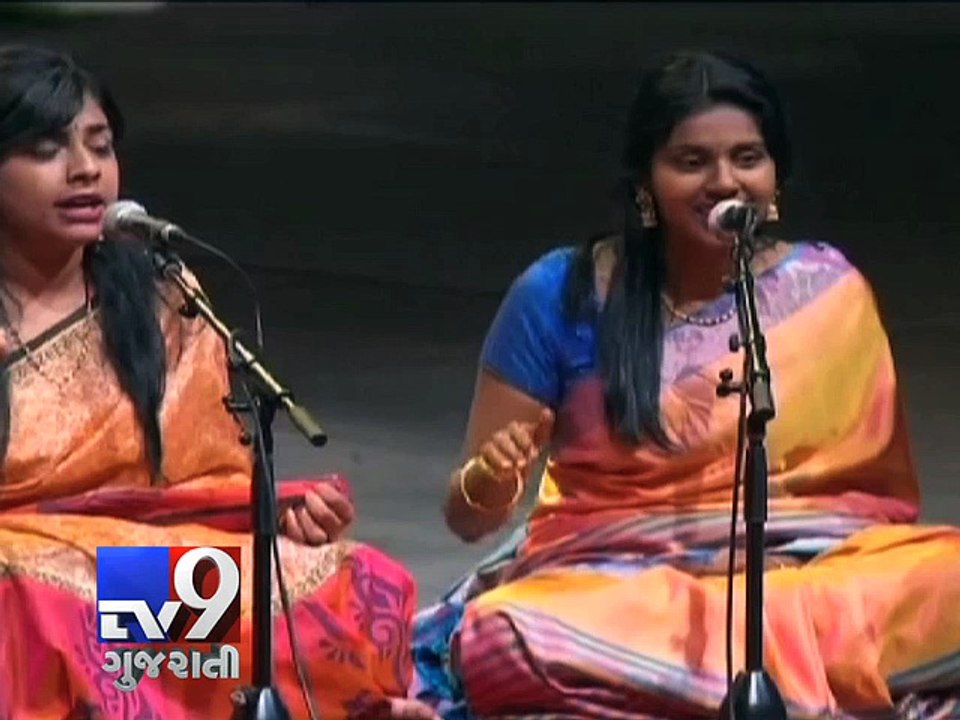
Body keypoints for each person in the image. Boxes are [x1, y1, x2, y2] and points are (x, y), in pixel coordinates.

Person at [411, 50, 960, 719]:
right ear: (646, 180)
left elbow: (869, 504)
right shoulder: (561, 294)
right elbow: (467, 520)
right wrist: (487, 481)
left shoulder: (830, 290)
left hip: (814, 577)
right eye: (692, 161)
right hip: (623, 588)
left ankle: (718, 680)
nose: (724, 181)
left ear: (775, 174)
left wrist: (784, 589)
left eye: (747, 158)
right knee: (509, 632)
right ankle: (778, 677)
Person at [0, 45, 438, 720]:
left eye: (100, 145)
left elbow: (203, 479)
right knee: (36, 603)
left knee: (333, 583)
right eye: (48, 149)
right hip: (18, 581)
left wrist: (270, 510)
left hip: (133, 577)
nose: (86, 169)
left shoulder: (160, 296)